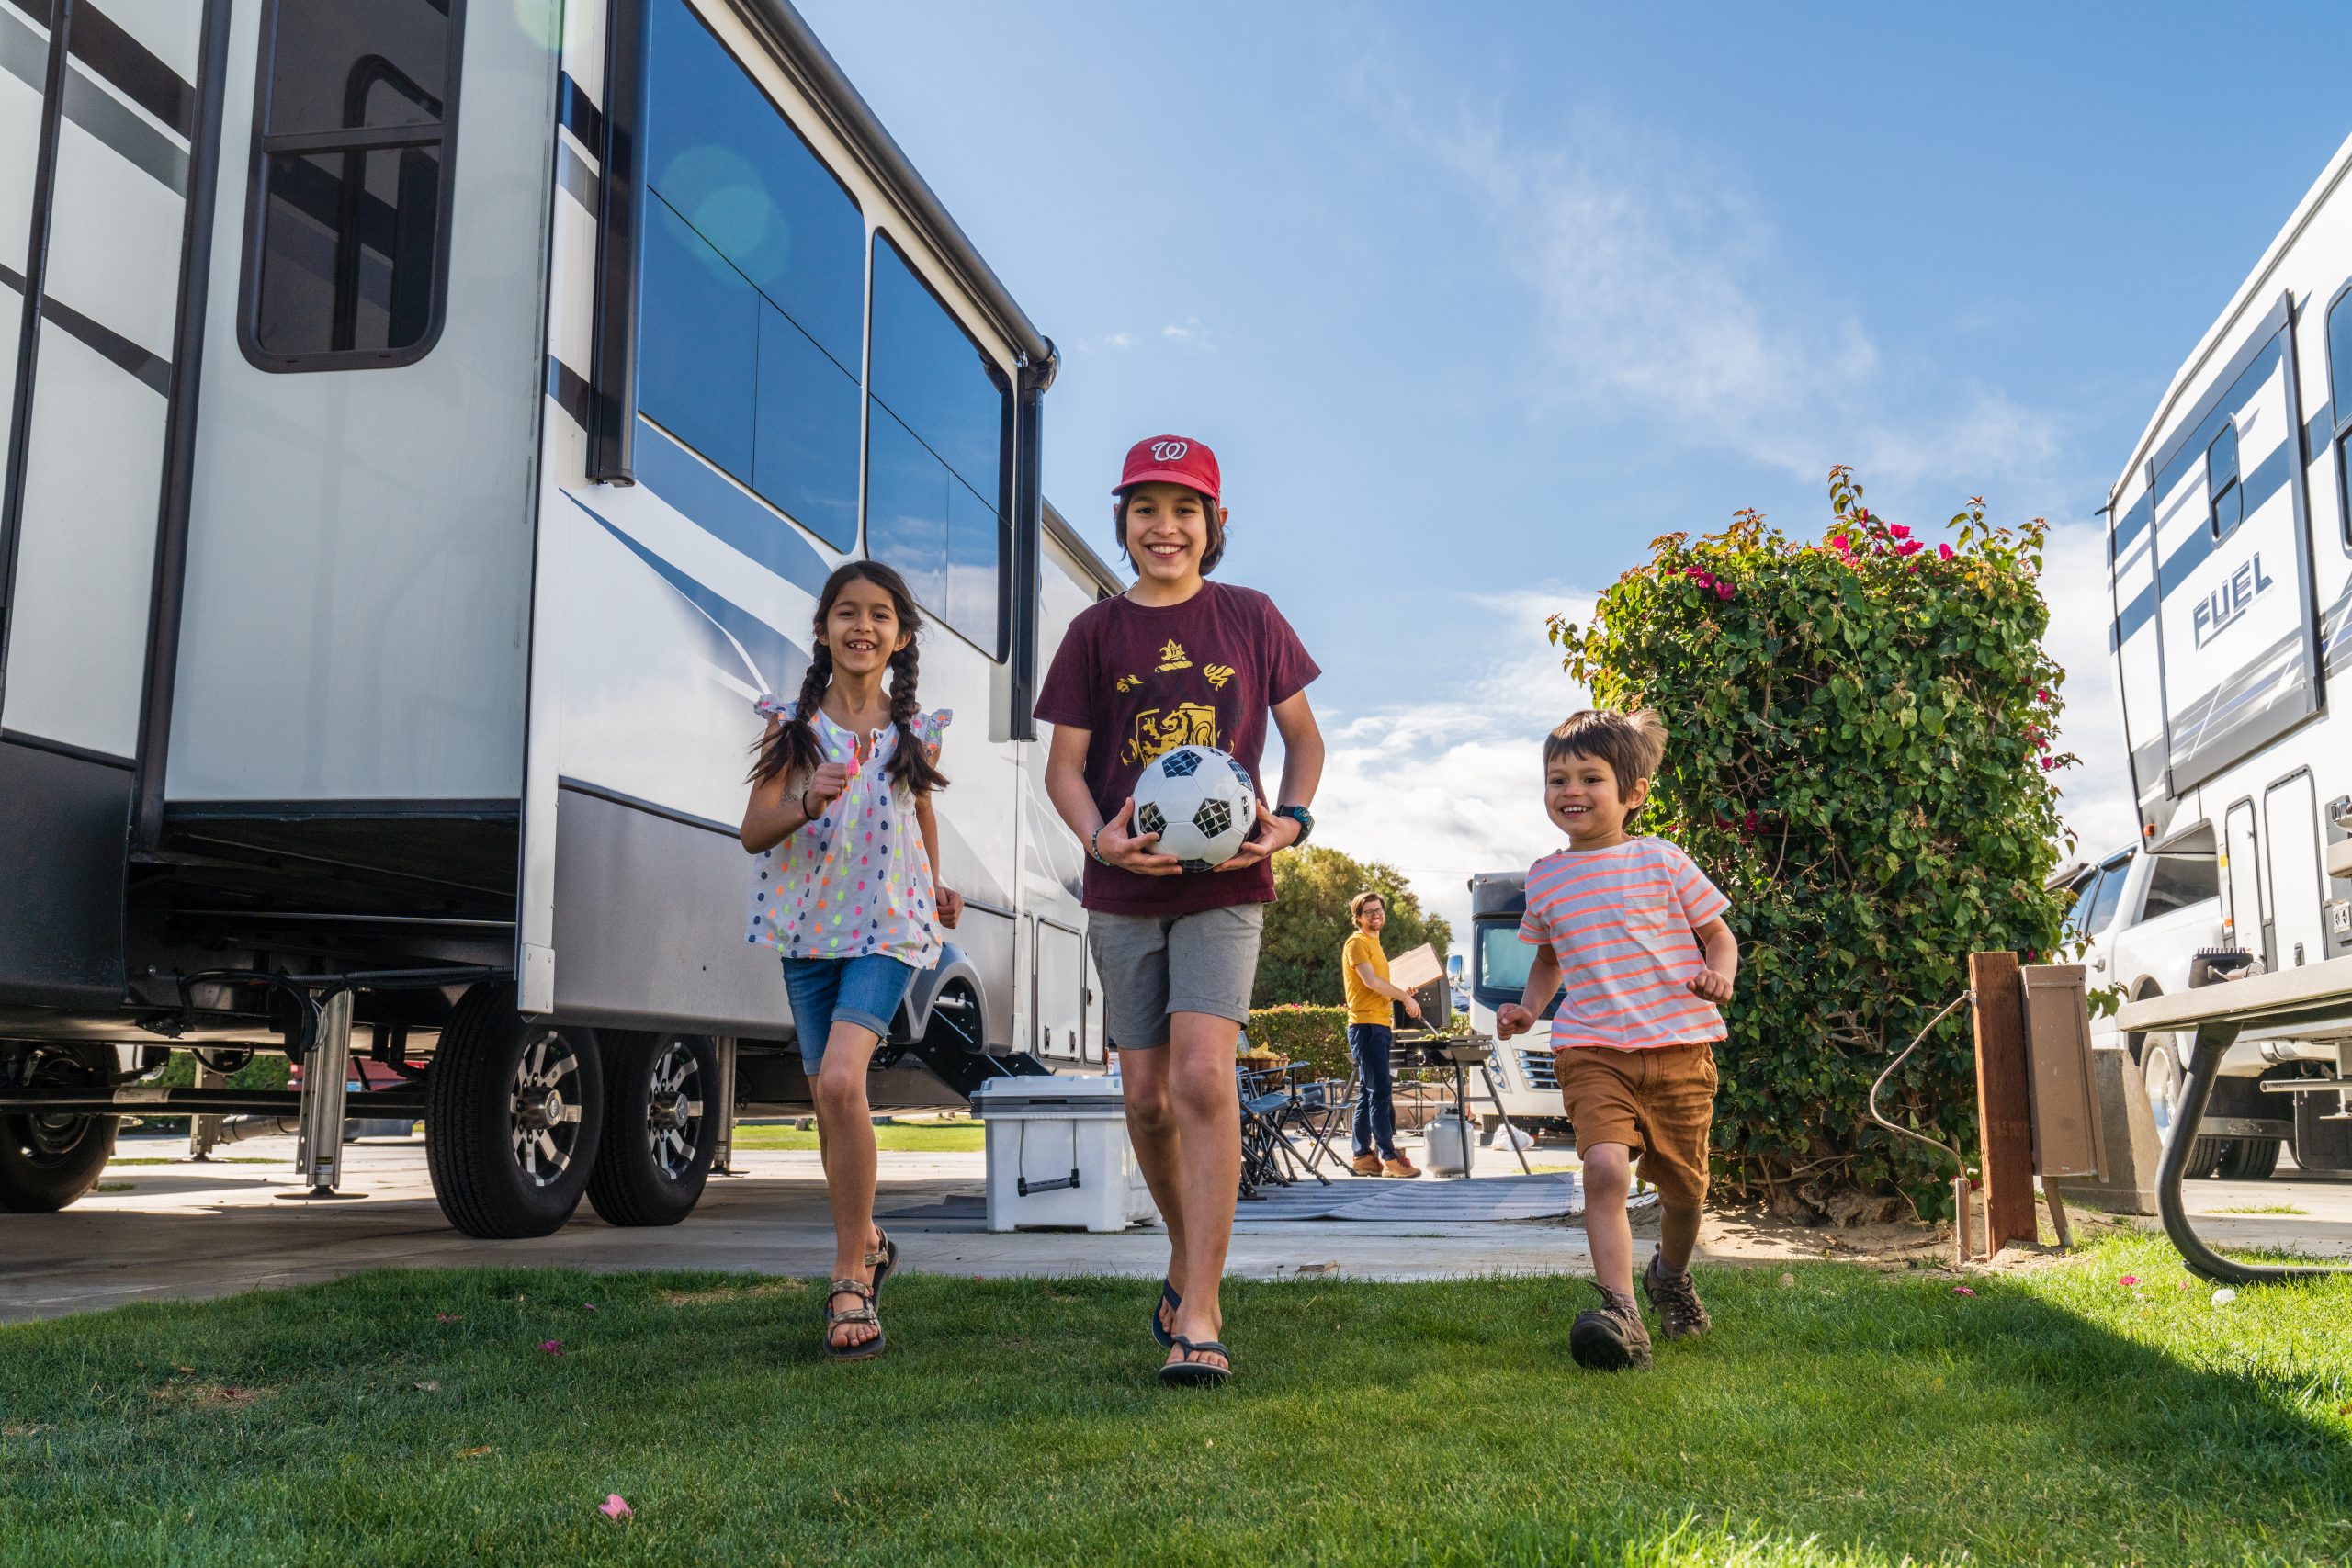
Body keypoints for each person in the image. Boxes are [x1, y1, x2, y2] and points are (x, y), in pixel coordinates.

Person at [1035, 434, 1324, 1387]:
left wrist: (1288, 822)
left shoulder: (1251, 617)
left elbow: (1302, 742)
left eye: (1185, 508)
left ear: (1215, 525)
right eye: (1146, 508)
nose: (1165, 526)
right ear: (1122, 522)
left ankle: (1200, 1308)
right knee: (1147, 1099)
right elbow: (1065, 770)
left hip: (1226, 885)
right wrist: (1099, 840)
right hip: (1123, 891)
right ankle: (1181, 1258)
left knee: (1204, 1078)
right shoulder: (1093, 633)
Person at [740, 561, 960, 1362]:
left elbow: (922, 812)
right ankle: (868, 1237)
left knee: (841, 1081)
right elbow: (753, 830)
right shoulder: (791, 728)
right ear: (824, 629)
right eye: (845, 612)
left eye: (878, 615)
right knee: (829, 1106)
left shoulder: (915, 733)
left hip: (889, 930)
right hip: (807, 932)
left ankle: (847, 1276)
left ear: (901, 636)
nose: (861, 626)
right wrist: (807, 799)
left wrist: (935, 887)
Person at [1495, 708, 1737, 1371]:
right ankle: (1622, 1311)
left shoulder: (1662, 859)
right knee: (1603, 1169)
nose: (1569, 790)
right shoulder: (1545, 876)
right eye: (1556, 778)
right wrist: (1528, 1008)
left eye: (1588, 777)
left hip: (1680, 1047)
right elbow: (1548, 959)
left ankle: (1671, 1276)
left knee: (1686, 1192)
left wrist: (1720, 974)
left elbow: (1718, 933)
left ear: (1633, 793)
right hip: (1592, 1050)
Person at [1340, 890, 1421, 1178]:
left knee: (1368, 1092)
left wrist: (1401, 992)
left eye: (1379, 910)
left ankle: (1362, 1156)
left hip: (1377, 1025)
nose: (1376, 915)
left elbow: (1380, 986)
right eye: (1369, 912)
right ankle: (1390, 1158)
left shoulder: (1375, 944)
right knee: (1380, 1092)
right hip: (1366, 1026)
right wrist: (1404, 998)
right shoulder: (1357, 943)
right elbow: (1371, 982)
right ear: (1358, 918)